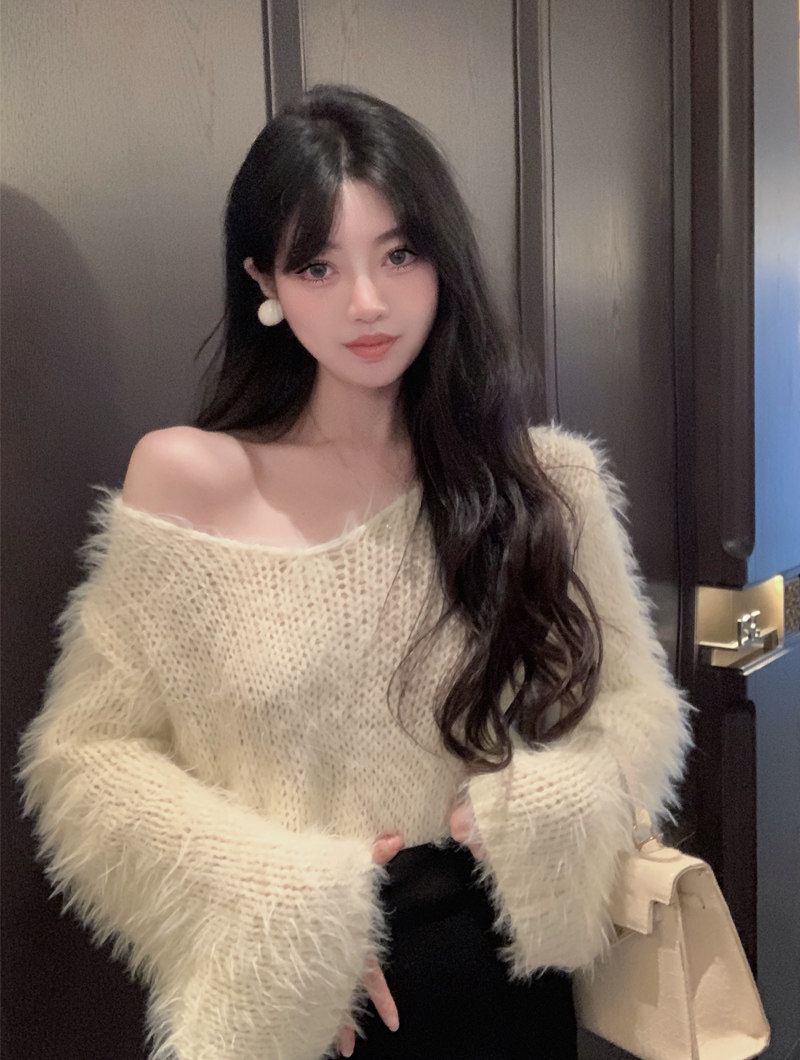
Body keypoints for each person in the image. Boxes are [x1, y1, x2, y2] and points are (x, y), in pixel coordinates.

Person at [19, 84, 692, 1060]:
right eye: (318, 265)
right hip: (306, 1003)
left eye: (398, 254)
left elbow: (635, 707)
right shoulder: (190, 477)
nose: (366, 302)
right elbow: (86, 755)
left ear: (442, 260)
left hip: (498, 980)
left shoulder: (542, 483)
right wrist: (273, 911)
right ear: (265, 280)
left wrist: (546, 809)